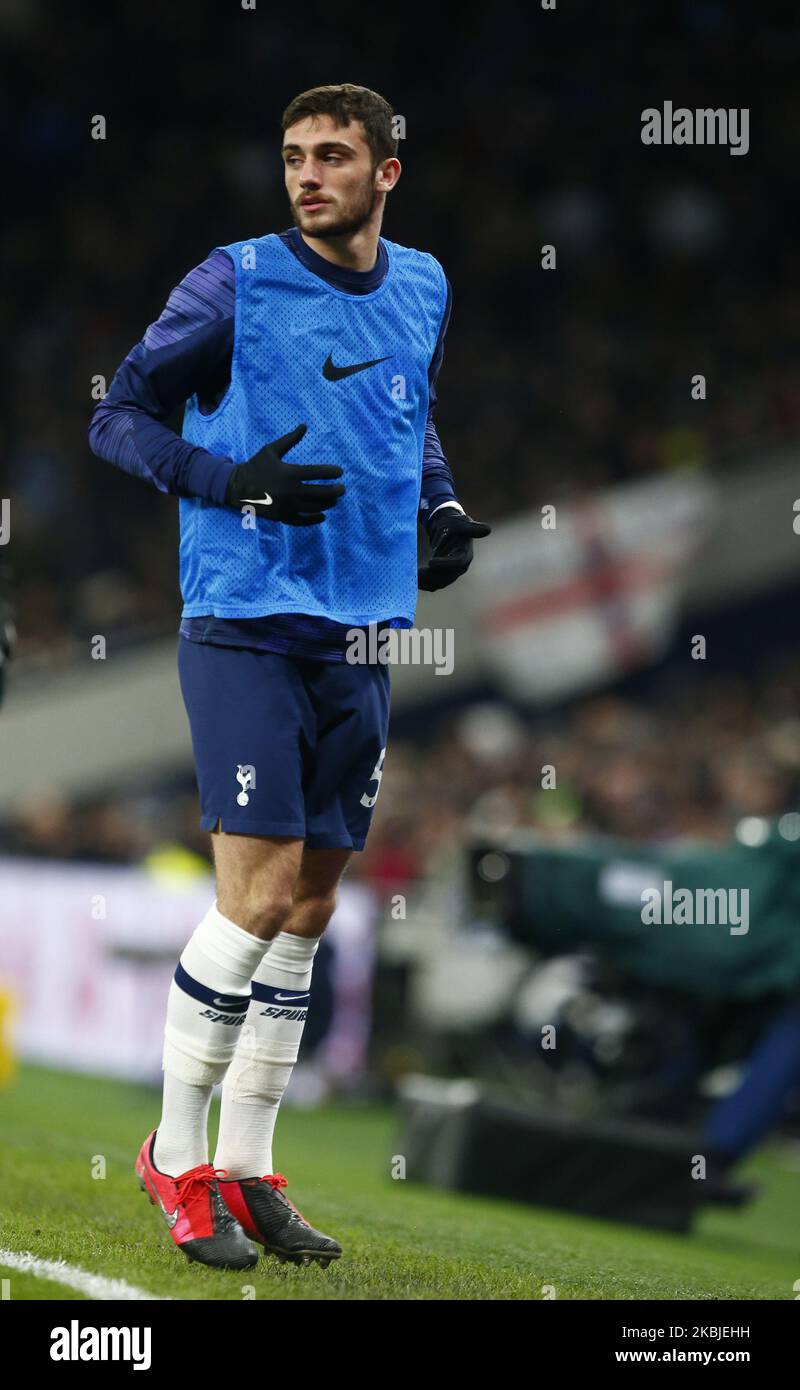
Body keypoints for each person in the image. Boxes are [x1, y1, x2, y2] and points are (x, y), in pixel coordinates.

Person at [89, 82, 490, 1270]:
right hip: (247, 619)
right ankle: (175, 1155)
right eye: (293, 156)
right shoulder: (235, 279)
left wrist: (440, 501)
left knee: (309, 912)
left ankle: (254, 1167)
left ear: (385, 175)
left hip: (364, 630)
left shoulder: (422, 283)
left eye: (332, 156)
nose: (307, 174)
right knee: (255, 898)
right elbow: (119, 413)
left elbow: (404, 405)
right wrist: (228, 482)